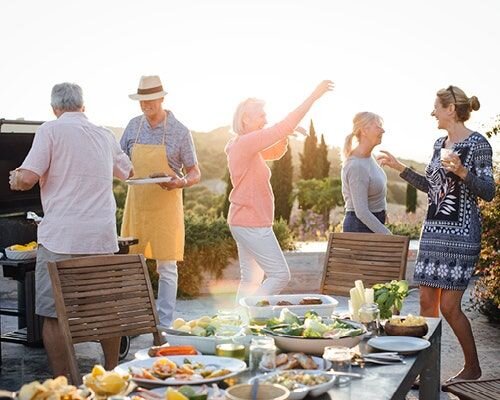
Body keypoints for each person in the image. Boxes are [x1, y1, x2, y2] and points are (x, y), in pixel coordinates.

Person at [9, 82, 133, 377]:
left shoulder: (50, 130)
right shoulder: (104, 134)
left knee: (53, 315)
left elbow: (27, 178)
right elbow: (128, 172)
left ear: (54, 109)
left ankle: (65, 383)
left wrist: (15, 178)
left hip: (61, 238)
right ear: (83, 106)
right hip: (102, 238)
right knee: (106, 309)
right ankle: (112, 374)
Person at [378, 85, 495, 383]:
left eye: (436, 108)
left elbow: (488, 192)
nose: (433, 113)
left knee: (449, 307)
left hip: (461, 235)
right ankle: (425, 371)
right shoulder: (438, 144)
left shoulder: (478, 144)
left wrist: (462, 172)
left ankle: (472, 368)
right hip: (433, 232)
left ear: (450, 109)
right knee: (427, 303)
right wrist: (399, 167)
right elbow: (433, 189)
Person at [226, 80, 334, 303]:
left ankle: (239, 324)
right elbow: (281, 126)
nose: (265, 119)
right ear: (245, 119)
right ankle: (250, 312)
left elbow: (273, 151)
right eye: (261, 115)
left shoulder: (244, 145)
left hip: (244, 221)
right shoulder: (245, 143)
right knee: (280, 275)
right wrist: (314, 95)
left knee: (251, 281)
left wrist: (285, 134)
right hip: (252, 223)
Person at [120, 75, 200, 328]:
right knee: (132, 265)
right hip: (136, 205)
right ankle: (135, 321)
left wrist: (180, 182)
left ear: (162, 98)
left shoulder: (179, 131)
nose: (145, 106)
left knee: (167, 266)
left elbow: (195, 172)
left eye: (150, 100)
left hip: (167, 205)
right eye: (142, 101)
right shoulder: (133, 126)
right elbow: (119, 161)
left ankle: (163, 324)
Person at [341, 112, 391, 234]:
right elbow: (362, 212)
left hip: (371, 225)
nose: (383, 130)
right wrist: (389, 237)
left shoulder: (369, 157)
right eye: (378, 127)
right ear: (364, 130)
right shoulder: (356, 166)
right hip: (360, 228)